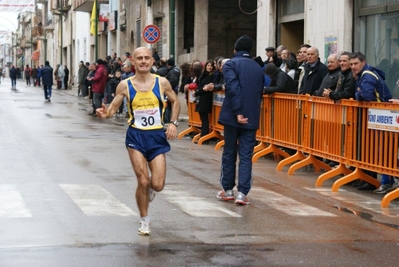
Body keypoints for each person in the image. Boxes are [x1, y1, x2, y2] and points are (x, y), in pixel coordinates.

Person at [96, 47, 180, 236]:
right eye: (139, 58)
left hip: (157, 136)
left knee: (157, 184)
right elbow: (113, 108)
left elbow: (175, 101)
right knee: (142, 180)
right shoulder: (125, 85)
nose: (143, 61)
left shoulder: (162, 82)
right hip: (136, 136)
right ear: (133, 62)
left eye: (146, 58)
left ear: (152, 61)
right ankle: (144, 220)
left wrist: (173, 123)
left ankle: (150, 189)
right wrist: (106, 113)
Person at [216, 35, 264, 205]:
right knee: (246, 155)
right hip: (251, 115)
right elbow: (260, 91)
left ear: (235, 49)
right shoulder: (258, 67)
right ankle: (242, 193)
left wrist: (237, 111)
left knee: (229, 151)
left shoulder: (230, 64)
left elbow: (233, 88)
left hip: (232, 116)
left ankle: (228, 189)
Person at [194, 59, 215, 139]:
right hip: (201, 98)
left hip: (206, 99)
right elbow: (201, 87)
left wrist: (198, 91)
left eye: (211, 66)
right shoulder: (203, 75)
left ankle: (204, 136)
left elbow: (205, 88)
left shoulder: (212, 76)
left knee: (205, 119)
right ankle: (203, 135)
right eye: (208, 65)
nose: (209, 67)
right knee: (203, 118)